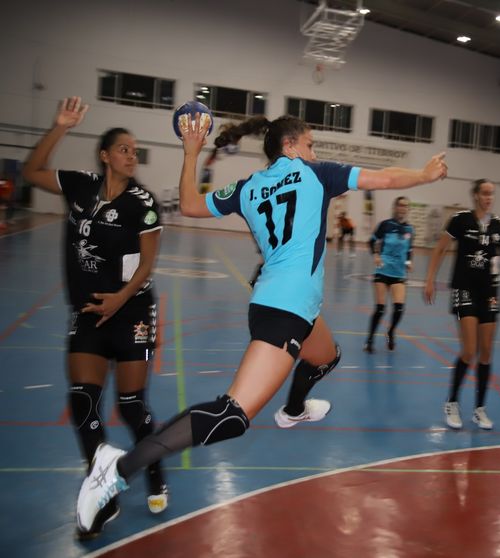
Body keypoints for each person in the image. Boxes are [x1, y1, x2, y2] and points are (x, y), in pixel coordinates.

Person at [75, 111, 448, 534]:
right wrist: (423, 175)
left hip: (282, 303)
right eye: (310, 144)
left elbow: (192, 205)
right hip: (286, 310)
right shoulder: (317, 173)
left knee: (326, 356)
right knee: (231, 416)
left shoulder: (248, 186)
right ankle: (117, 470)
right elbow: (385, 178)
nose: (314, 152)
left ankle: (293, 410)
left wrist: (191, 153)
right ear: (290, 146)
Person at [22, 97, 168, 538]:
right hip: (87, 314)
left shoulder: (144, 202)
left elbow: (147, 264)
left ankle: (154, 467)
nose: (132, 155)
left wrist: (119, 299)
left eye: (135, 150)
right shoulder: (80, 185)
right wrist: (60, 126)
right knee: (83, 402)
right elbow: (31, 171)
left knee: (131, 406)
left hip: (133, 312)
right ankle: (101, 490)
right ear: (105, 155)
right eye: (124, 149)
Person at [424, 179, 500, 431]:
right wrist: (430, 279)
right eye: (485, 193)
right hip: (464, 289)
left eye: (491, 194)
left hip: (490, 293)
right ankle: (452, 403)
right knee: (469, 350)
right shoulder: (460, 220)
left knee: (486, 352)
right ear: (476, 195)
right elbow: (440, 249)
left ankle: (479, 410)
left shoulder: (498, 226)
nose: (489, 198)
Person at [364, 196, 414, 353]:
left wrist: (408, 262)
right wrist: (376, 255)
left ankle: (391, 332)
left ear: (408, 209)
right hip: (383, 270)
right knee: (380, 309)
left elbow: (409, 249)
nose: (403, 208)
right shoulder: (385, 225)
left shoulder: (410, 229)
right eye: (400, 205)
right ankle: (370, 340)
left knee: (399, 309)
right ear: (395, 207)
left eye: (405, 206)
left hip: (399, 273)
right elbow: (371, 241)